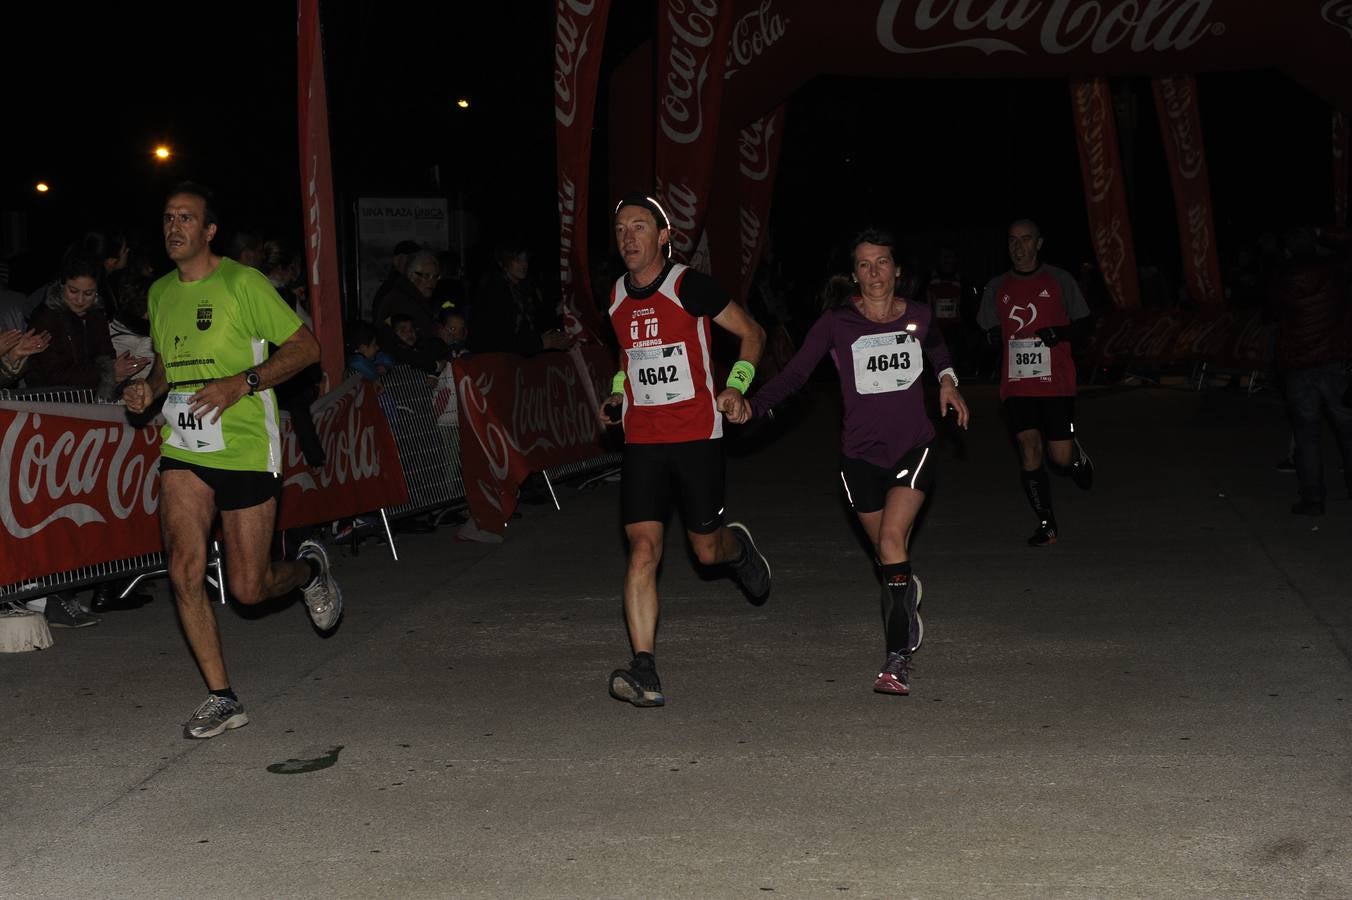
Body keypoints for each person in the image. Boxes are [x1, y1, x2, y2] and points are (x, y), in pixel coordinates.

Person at [122, 182, 343, 740]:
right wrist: (147, 392)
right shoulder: (159, 293)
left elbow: (306, 349)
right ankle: (222, 697)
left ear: (209, 230)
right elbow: (165, 367)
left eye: (186, 218)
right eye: (168, 218)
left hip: (245, 443)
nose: (174, 227)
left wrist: (239, 384)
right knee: (184, 570)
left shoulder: (244, 283)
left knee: (248, 587)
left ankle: (310, 572)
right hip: (184, 447)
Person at [727, 229, 969, 695]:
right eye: (864, 264)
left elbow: (936, 347)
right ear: (853, 273)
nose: (874, 273)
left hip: (913, 448)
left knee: (894, 540)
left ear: (898, 270)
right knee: (886, 555)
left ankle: (895, 660)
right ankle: (906, 593)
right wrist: (752, 405)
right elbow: (796, 374)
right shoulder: (836, 323)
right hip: (858, 457)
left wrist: (948, 380)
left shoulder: (917, 314)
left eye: (882, 263)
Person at [598, 193, 772, 708]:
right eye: (621, 229)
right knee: (643, 552)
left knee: (705, 550)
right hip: (643, 443)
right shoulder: (614, 297)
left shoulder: (688, 285)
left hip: (697, 438)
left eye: (639, 227)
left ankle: (737, 550)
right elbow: (629, 360)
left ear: (663, 236)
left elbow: (753, 335)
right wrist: (615, 391)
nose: (629, 237)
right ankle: (644, 668)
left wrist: (737, 387)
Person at [977, 219, 1095, 546]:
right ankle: (1047, 523)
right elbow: (985, 331)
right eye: (1012, 240)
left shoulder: (1059, 279)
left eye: (1026, 239)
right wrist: (987, 339)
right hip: (1017, 385)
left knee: (1058, 458)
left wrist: (1061, 333)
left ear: (1039, 244)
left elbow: (1086, 324)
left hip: (1056, 382)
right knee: (1029, 450)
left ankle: (1076, 457)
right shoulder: (996, 286)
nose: (1018, 246)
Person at [1270, 224, 1352, 515]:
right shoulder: (1335, 272)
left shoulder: (1283, 276)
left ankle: (1313, 499)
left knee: (1306, 435)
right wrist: (1324, 235)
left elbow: (1270, 311)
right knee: (1347, 430)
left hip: (1299, 366)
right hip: (1334, 362)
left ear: (1289, 249)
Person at [25, 250, 146, 397]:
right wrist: (109, 372)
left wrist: (119, 372)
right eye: (73, 291)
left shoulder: (96, 314)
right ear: (62, 285)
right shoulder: (46, 318)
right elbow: (51, 374)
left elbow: (106, 354)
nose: (80, 300)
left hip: (89, 400)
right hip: (49, 402)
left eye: (89, 293)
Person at [469, 243, 573, 356]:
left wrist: (556, 311)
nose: (523, 265)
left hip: (516, 362)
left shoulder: (525, 289)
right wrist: (541, 343)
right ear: (503, 263)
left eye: (525, 260)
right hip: (494, 363)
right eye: (517, 260)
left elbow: (534, 323)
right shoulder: (495, 292)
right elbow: (501, 339)